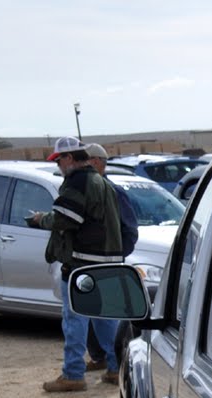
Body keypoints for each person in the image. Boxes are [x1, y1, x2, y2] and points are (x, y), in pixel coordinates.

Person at [26, 136, 124, 392]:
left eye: (59, 160)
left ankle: (73, 374)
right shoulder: (102, 183)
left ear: (69, 158)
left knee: (75, 319)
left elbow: (66, 219)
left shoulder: (78, 182)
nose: (59, 165)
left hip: (83, 263)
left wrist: (40, 219)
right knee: (106, 319)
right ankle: (116, 369)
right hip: (108, 260)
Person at [82, 144, 137, 372]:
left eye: (83, 160)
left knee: (107, 313)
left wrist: (114, 256)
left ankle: (116, 363)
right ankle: (100, 357)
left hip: (107, 263)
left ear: (95, 162)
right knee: (90, 310)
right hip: (91, 262)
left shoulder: (112, 192)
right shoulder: (90, 191)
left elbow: (129, 231)